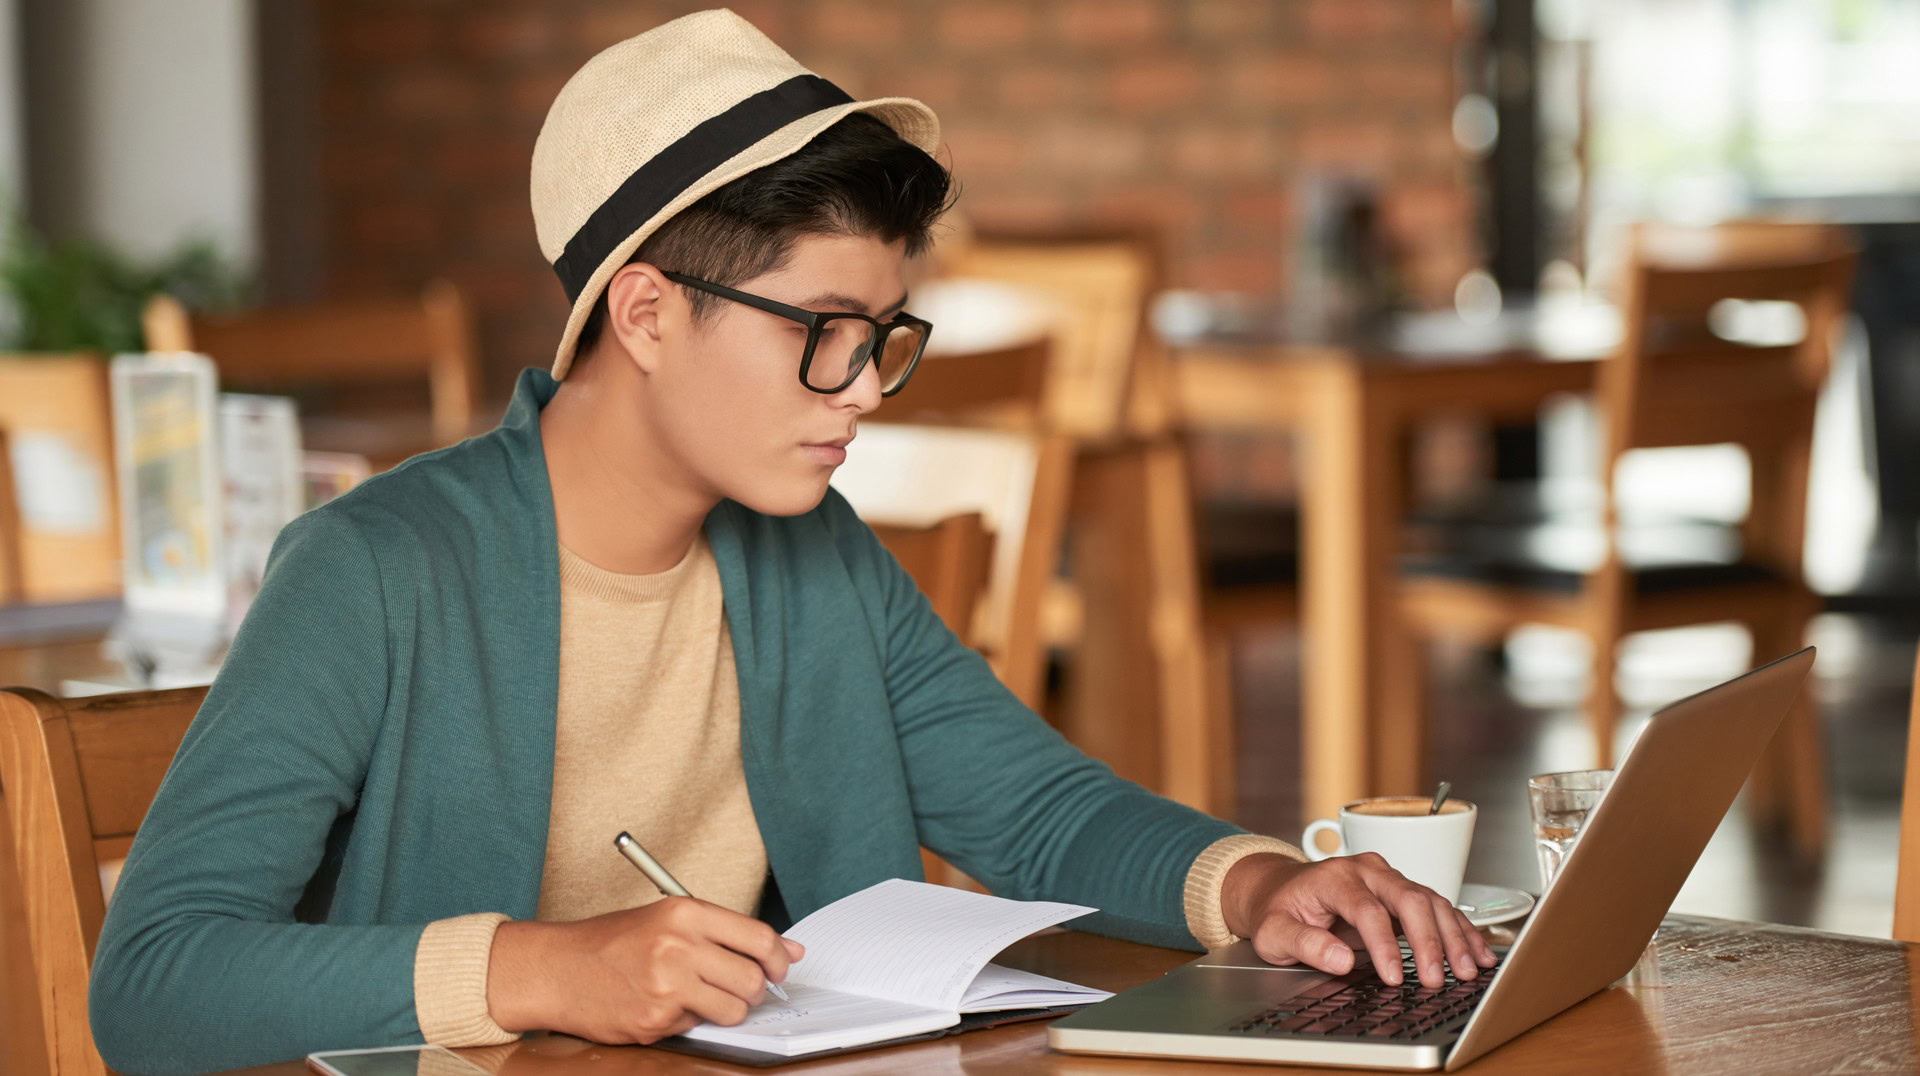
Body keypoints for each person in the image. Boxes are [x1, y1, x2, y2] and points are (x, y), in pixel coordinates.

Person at [87, 11, 1492, 1073]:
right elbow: (154, 979)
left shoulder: (814, 551)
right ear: (644, 314)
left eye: (883, 339)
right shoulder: (376, 570)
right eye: (823, 335)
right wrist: (539, 971)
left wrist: (1260, 885)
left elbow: (1037, 808)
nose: (867, 389)